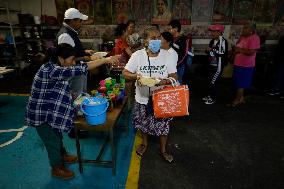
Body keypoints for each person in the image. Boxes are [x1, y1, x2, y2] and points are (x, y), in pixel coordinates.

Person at [25, 43, 118, 180]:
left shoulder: (56, 67)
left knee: (57, 135)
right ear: (61, 58)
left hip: (50, 111)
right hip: (41, 114)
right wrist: (106, 60)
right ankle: (56, 168)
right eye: (72, 59)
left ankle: (62, 155)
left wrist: (70, 94)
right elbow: (80, 68)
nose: (73, 62)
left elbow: (55, 87)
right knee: (52, 141)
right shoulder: (51, 69)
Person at [122, 26, 178, 163]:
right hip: (142, 99)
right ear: (145, 41)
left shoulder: (167, 55)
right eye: (153, 38)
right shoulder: (137, 55)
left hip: (162, 99)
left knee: (164, 126)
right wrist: (136, 76)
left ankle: (163, 149)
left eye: (158, 37)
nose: (157, 40)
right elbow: (125, 73)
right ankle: (145, 144)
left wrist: (164, 81)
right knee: (143, 124)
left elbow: (174, 76)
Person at [55, 8, 97, 138]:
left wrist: (85, 52)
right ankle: (74, 130)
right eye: (79, 21)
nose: (81, 23)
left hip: (78, 72)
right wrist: (85, 58)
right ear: (72, 21)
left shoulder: (71, 33)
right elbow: (66, 59)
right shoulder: (65, 36)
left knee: (80, 98)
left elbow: (72, 52)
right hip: (73, 74)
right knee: (74, 99)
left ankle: (79, 126)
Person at [228, 23, 260, 107]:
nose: (243, 29)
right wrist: (233, 51)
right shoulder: (242, 37)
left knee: (240, 84)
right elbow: (237, 47)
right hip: (238, 64)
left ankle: (236, 101)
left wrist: (239, 50)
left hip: (246, 65)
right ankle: (241, 99)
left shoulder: (255, 38)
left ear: (251, 30)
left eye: (246, 28)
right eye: (244, 28)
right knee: (238, 82)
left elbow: (252, 52)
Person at [203, 24, 228, 105]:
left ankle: (213, 98)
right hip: (211, 65)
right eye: (212, 31)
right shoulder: (212, 41)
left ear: (219, 32)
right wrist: (207, 50)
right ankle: (210, 96)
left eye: (214, 31)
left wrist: (212, 49)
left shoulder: (223, 41)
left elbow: (223, 53)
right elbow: (210, 52)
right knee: (210, 81)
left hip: (218, 66)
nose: (212, 33)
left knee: (213, 82)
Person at [168, 19, 192, 85]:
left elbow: (185, 54)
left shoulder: (184, 39)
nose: (169, 31)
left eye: (170, 29)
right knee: (170, 82)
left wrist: (178, 64)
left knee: (178, 82)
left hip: (180, 65)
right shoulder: (169, 39)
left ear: (176, 29)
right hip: (170, 66)